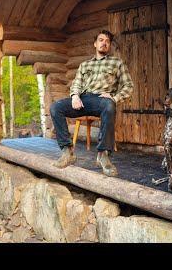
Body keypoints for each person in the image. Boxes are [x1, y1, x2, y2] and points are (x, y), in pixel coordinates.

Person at [49, 30, 133, 175]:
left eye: (107, 41)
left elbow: (128, 86)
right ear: (95, 44)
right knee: (56, 107)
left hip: (101, 100)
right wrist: (75, 96)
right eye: (101, 40)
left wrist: (115, 98)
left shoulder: (116, 63)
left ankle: (103, 155)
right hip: (82, 100)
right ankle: (67, 151)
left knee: (109, 105)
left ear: (109, 46)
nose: (104, 43)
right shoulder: (84, 65)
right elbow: (76, 84)